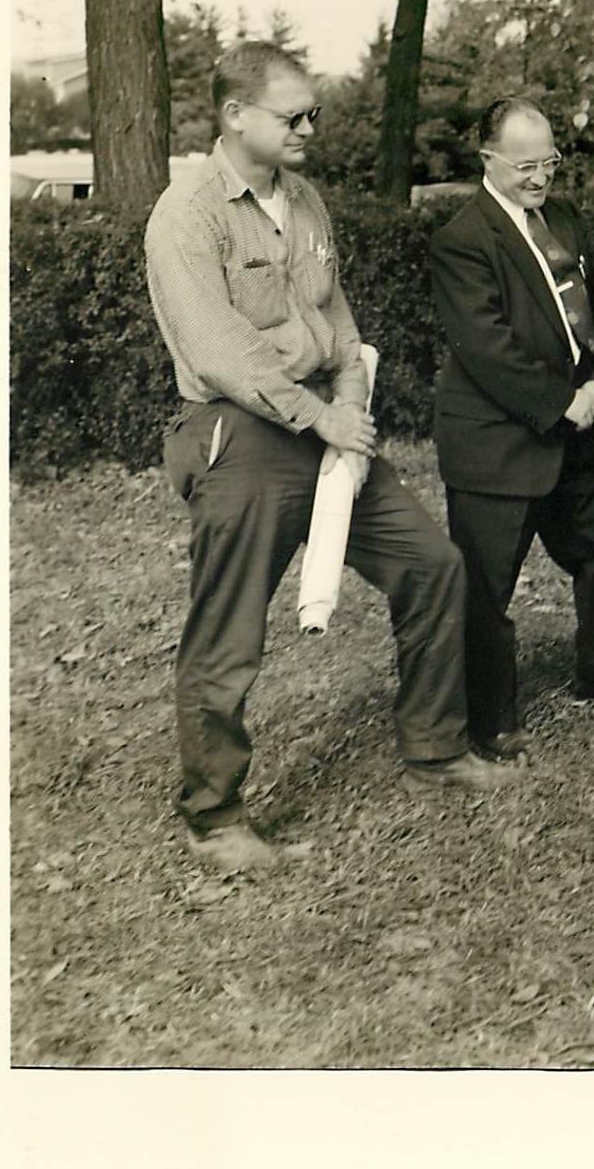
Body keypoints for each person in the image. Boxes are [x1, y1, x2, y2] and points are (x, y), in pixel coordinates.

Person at [145, 42, 516, 873]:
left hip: (327, 422)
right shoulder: (186, 213)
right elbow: (220, 353)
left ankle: (434, 748)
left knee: (431, 564)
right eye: (293, 115)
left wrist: (350, 394)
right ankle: (214, 814)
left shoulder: (306, 199)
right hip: (240, 432)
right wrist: (321, 416)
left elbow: (339, 319)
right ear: (235, 115)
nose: (311, 126)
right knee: (229, 627)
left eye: (314, 112)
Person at [428, 98, 594, 763]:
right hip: (497, 441)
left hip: (577, 429)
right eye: (524, 165)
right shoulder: (463, 239)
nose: (539, 177)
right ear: (487, 159)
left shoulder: (566, 219)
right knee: (486, 585)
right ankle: (490, 721)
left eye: (548, 161)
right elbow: (485, 345)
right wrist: (561, 402)